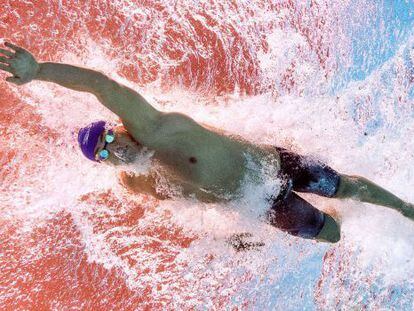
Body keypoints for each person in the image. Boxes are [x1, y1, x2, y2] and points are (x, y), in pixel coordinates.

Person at [1, 41, 414, 247]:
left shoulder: (154, 126)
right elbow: (185, 209)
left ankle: (403, 207)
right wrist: (229, 238)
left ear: (119, 128)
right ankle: (347, 215)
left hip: (270, 166)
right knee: (333, 235)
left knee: (340, 184)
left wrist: (38, 70)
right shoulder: (138, 183)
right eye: (103, 154)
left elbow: (99, 84)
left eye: (109, 138)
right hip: (260, 205)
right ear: (106, 164)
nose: (114, 149)